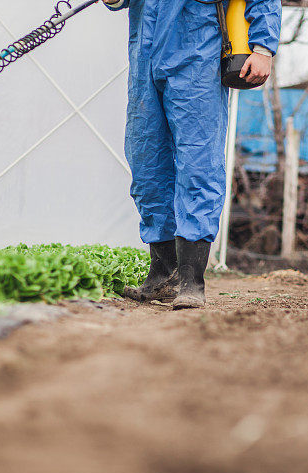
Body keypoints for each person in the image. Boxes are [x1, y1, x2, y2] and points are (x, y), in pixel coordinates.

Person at [104, 0, 281, 309]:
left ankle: (191, 280)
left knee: (198, 164)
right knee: (146, 166)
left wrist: (263, 47)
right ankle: (163, 275)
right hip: (145, 55)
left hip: (198, 54)